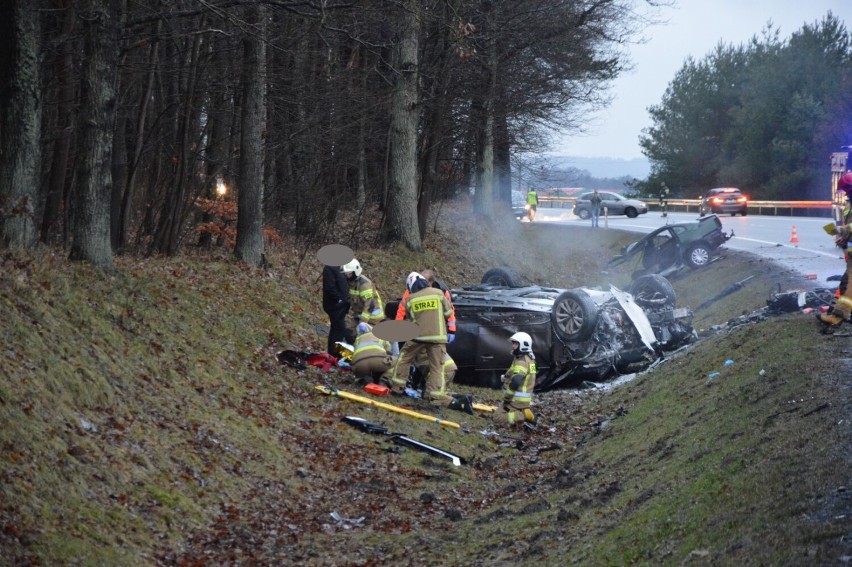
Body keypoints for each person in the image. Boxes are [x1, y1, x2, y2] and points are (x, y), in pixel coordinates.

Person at [389, 273, 454, 407]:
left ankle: (397, 387)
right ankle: (435, 398)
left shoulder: (411, 299)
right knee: (437, 367)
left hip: (418, 337)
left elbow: (410, 319)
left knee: (404, 357)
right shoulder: (438, 293)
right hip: (438, 337)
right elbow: (448, 313)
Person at [819, 172, 852, 327]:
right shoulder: (849, 204)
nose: (845, 194)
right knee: (846, 283)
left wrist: (840, 230)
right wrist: (842, 239)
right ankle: (836, 313)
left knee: (849, 285)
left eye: (846, 190)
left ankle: (838, 316)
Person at [492, 331, 537, 427]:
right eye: (513, 343)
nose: (513, 346)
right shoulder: (528, 359)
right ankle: (524, 410)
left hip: (516, 401)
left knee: (497, 417)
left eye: (516, 343)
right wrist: (506, 378)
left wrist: (507, 397)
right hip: (521, 401)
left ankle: (522, 415)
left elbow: (516, 381)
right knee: (499, 412)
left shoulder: (521, 362)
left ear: (523, 345)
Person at [341, 259, 385, 339]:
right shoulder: (352, 283)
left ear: (355, 272)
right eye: (346, 274)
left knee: (363, 336)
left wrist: (362, 322)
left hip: (372, 318)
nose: (347, 276)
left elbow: (369, 305)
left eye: (349, 274)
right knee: (348, 331)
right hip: (360, 315)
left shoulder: (364, 284)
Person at [322, 263, 352, 356]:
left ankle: (332, 353)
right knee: (340, 330)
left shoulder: (341, 267)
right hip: (334, 305)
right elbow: (329, 287)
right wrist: (338, 299)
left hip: (341, 305)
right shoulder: (329, 268)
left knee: (336, 329)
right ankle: (336, 354)